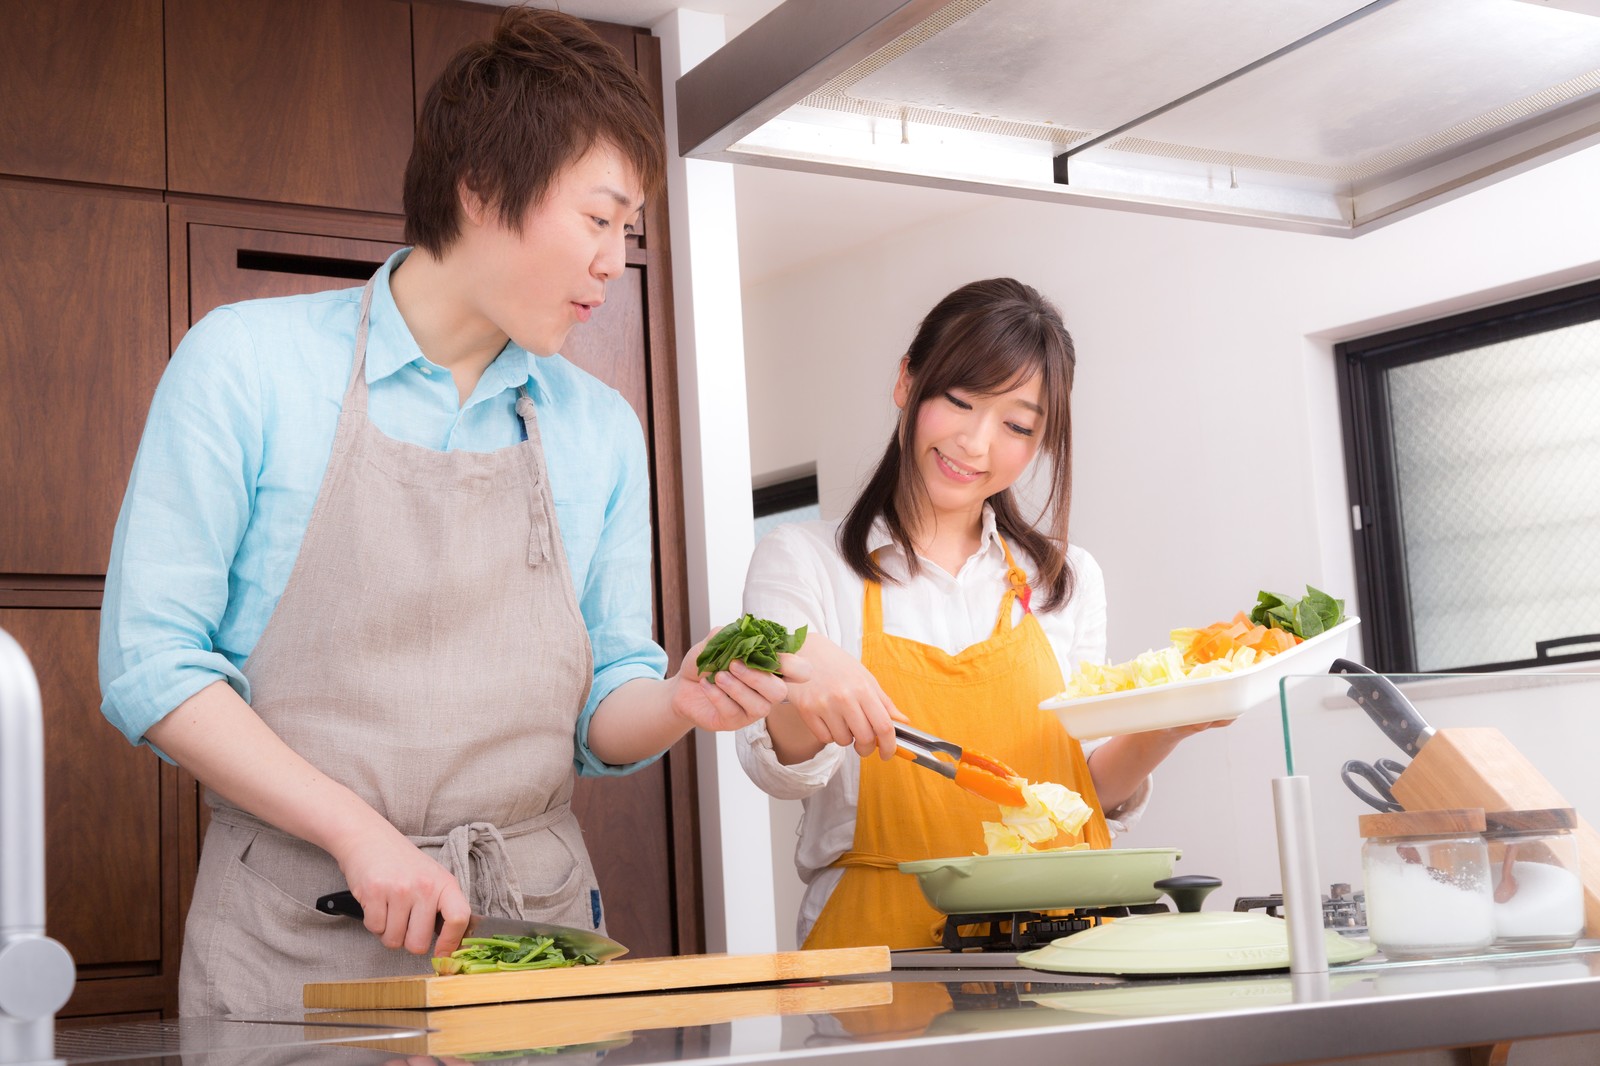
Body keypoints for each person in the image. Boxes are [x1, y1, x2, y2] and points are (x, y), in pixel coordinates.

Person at [98, 9, 789, 1016]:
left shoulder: (599, 426)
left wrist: (683, 698)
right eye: (599, 220)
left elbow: (606, 707)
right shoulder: (245, 363)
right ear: (477, 189)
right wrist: (353, 828)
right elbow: (151, 665)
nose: (615, 260)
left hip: (530, 944)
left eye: (628, 232)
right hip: (293, 935)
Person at [736, 278, 1221, 950]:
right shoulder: (803, 560)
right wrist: (805, 682)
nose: (975, 443)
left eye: (1017, 425)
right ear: (907, 382)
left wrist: (1167, 726)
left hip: (1065, 937)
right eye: (959, 401)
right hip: (880, 940)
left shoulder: (1068, 579)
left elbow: (1079, 789)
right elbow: (780, 767)